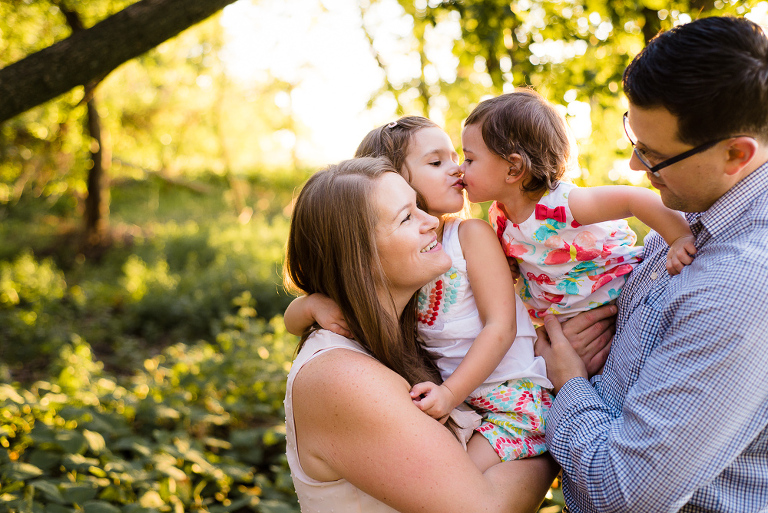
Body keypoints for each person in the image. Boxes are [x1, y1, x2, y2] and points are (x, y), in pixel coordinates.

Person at [535, 15, 768, 511]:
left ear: (735, 154)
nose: (636, 167)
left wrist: (569, 383)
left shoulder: (742, 284)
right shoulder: (695, 209)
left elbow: (624, 494)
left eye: (655, 155)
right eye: (633, 138)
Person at [283, 156, 563, 513]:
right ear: (359, 258)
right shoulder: (341, 376)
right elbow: (484, 509)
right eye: (407, 217)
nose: (432, 221)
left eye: (419, 205)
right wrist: (559, 408)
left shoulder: (412, 340)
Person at [459, 88, 697, 320]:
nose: (460, 168)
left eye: (469, 159)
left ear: (514, 168)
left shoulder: (564, 203)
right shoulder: (498, 215)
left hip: (616, 298)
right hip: (567, 317)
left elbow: (634, 199)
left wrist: (678, 238)